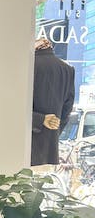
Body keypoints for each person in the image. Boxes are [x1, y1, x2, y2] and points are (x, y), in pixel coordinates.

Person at [31, 38, 75, 166]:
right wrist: (54, 131)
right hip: (50, 148)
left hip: (23, 143)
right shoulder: (67, 70)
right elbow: (67, 110)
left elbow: (14, 106)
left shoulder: (29, 65)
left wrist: (39, 119)